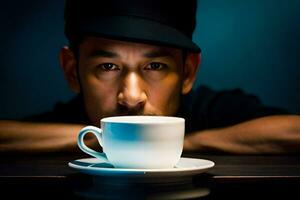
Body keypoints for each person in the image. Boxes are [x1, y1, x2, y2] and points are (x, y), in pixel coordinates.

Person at [0, 0, 300, 154]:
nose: (131, 97)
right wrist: (102, 141)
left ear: (188, 72)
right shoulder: (73, 126)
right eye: (108, 67)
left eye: (155, 66)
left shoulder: (214, 110)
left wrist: (178, 143)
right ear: (71, 70)